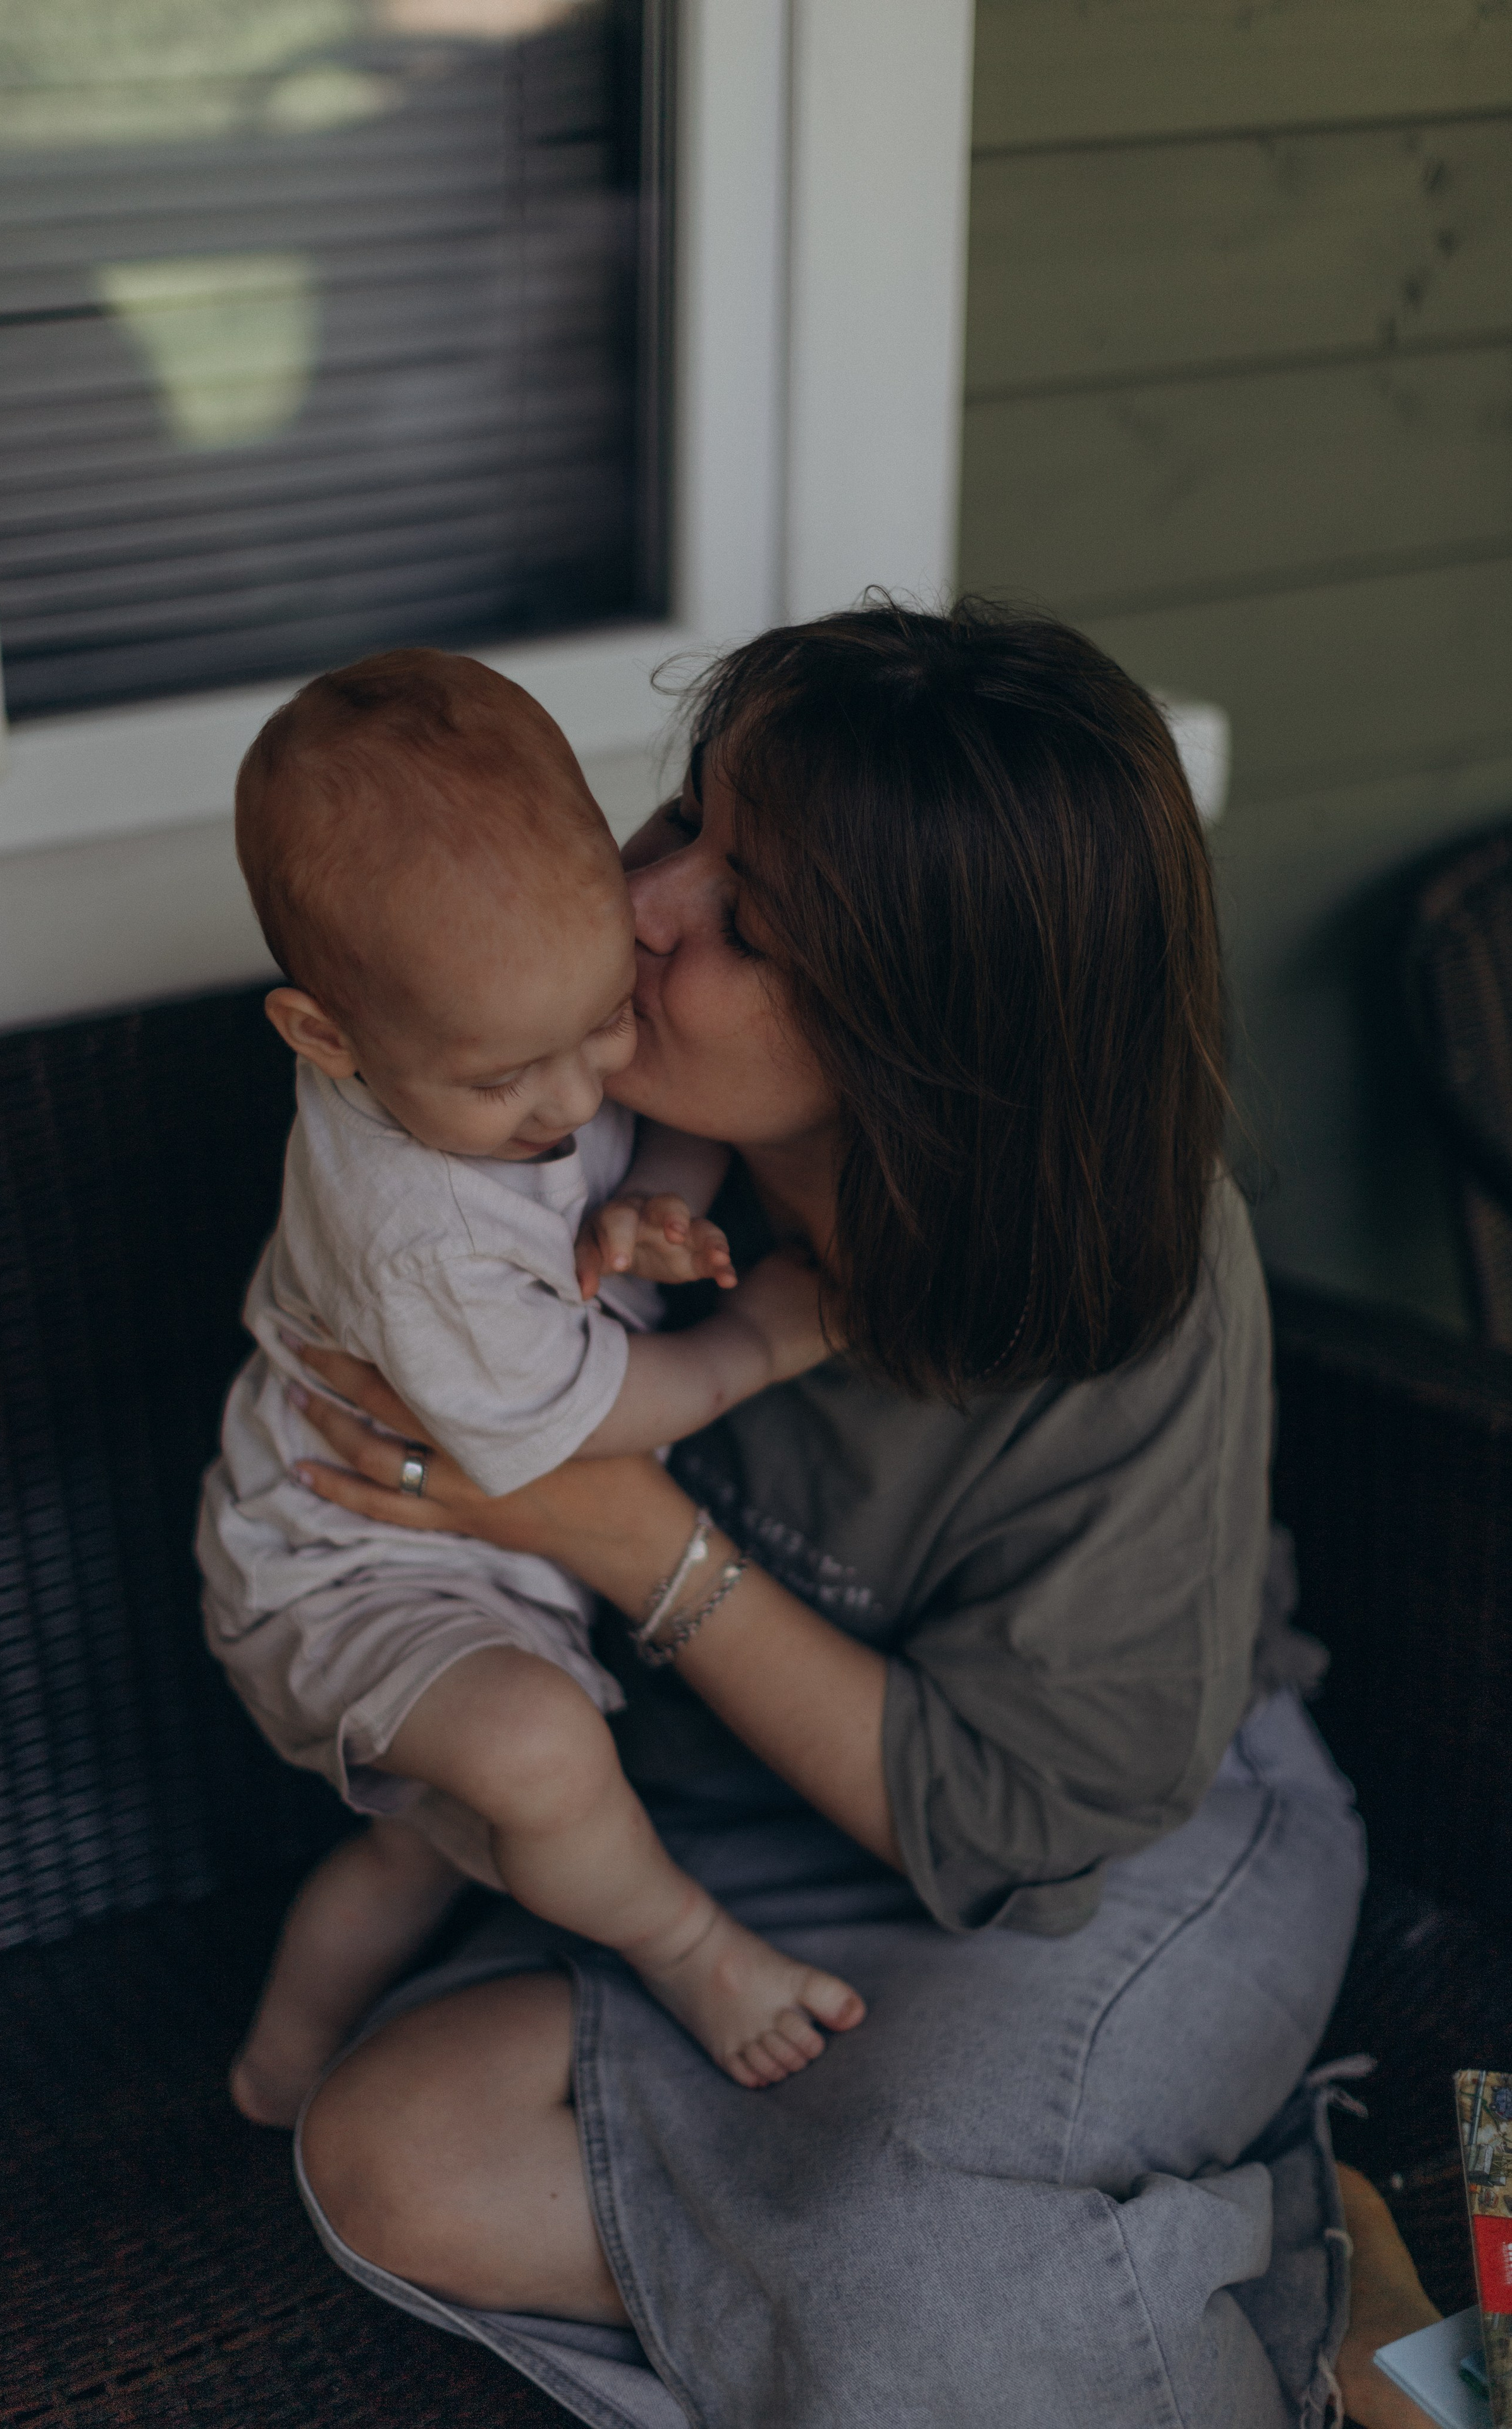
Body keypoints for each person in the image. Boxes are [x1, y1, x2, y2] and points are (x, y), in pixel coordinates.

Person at [277, 602, 1439, 2429]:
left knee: (914, 2296)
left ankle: (1121, 2267)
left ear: (929, 1030)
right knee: (396, 2156)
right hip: (722, 1830)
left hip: (1101, 1842)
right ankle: (1218, 2248)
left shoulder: (1128, 1275)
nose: (644, 905)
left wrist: (618, 1528)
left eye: (752, 923)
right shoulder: (542, 1105)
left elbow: (1028, 1828)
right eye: (680, 827)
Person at [199, 648, 866, 2132]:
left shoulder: (485, 1027)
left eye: (602, 1030)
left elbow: (630, 1134)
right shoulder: (416, 1229)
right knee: (537, 1754)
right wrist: (750, 1340)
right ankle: (690, 1949)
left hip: (466, 1558)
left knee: (419, 1849)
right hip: (338, 1559)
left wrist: (641, 1212)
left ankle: (274, 2073)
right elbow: (554, 1433)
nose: (570, 1102)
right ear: (325, 1038)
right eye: (514, 1080)